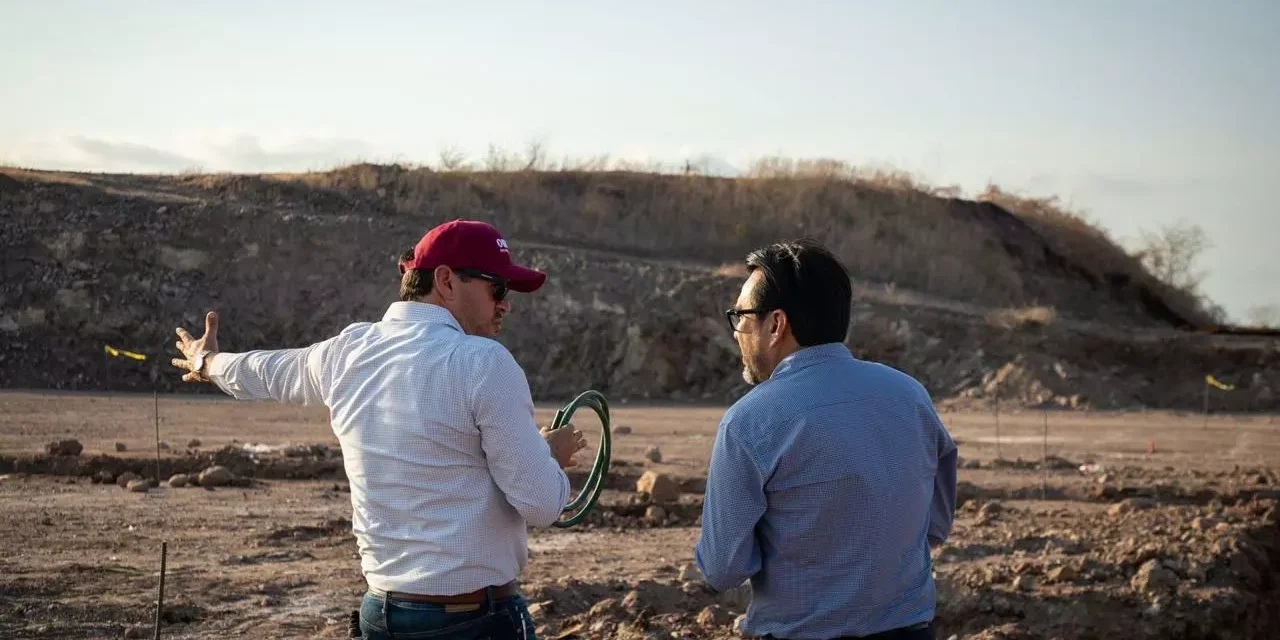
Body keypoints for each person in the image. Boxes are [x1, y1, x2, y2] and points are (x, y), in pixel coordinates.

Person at [170, 218, 588, 640]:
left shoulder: (348, 351)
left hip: (380, 615)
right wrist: (548, 452)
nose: (505, 304)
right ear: (445, 280)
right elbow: (541, 503)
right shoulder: (485, 362)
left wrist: (208, 364)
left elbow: (266, 371)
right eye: (497, 288)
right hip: (472, 619)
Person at [695, 239, 958, 640]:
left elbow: (722, 568)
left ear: (776, 325)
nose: (738, 333)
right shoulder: (910, 395)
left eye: (742, 317)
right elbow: (935, 525)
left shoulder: (749, 421)